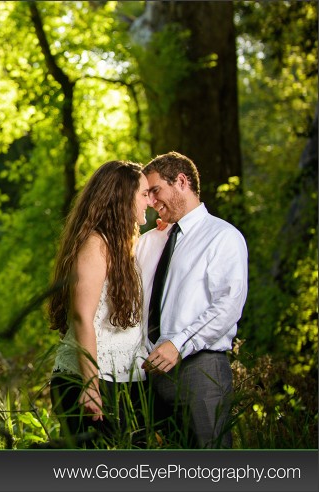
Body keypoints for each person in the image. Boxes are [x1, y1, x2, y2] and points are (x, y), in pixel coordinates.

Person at [137, 151, 248, 448]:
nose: (150, 201)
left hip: (200, 370)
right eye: (146, 194)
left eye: (155, 190)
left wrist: (179, 343)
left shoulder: (223, 236)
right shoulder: (150, 241)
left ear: (182, 182)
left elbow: (228, 305)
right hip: (147, 375)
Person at [49, 160, 151, 446]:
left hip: (125, 382)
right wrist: (90, 383)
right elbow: (82, 316)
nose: (149, 201)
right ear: (121, 197)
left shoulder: (122, 245)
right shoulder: (95, 244)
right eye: (143, 194)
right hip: (90, 381)